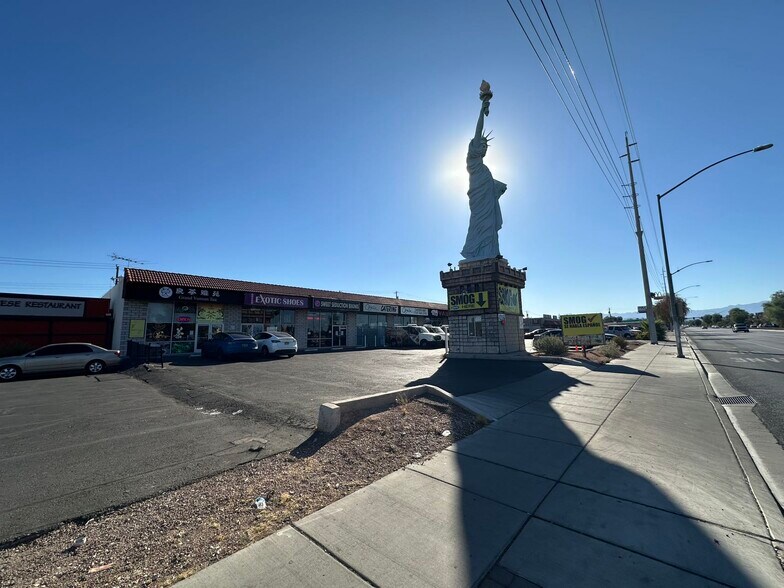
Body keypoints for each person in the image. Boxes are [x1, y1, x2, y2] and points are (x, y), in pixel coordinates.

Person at [461, 93, 507, 262]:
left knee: (490, 226)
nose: (484, 148)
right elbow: (478, 130)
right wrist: (482, 110)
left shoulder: (485, 167)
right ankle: (474, 252)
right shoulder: (472, 158)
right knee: (478, 224)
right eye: (482, 144)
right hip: (478, 200)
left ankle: (490, 251)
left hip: (487, 202)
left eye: (486, 146)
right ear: (474, 145)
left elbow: (492, 189)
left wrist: (497, 189)